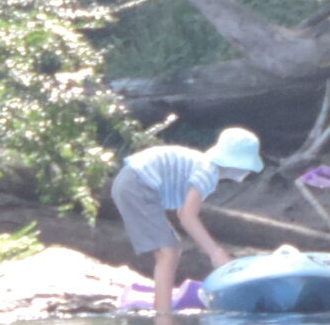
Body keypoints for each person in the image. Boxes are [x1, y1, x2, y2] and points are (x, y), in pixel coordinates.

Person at [110, 126, 263, 312]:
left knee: (169, 250)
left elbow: (182, 211)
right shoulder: (208, 172)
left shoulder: (204, 167)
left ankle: (161, 306)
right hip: (137, 184)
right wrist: (215, 252)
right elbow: (186, 216)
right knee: (168, 252)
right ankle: (163, 314)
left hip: (133, 182)